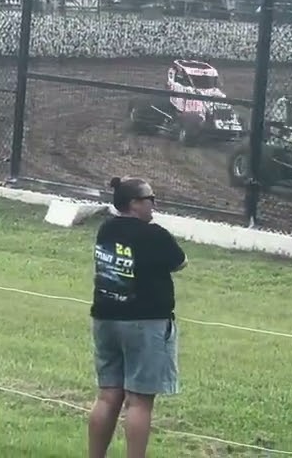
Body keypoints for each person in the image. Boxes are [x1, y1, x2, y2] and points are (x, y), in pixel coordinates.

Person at [88, 177, 187, 458]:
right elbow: (180, 262)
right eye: (149, 199)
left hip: (106, 319)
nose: (154, 204)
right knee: (139, 402)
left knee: (108, 396)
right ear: (134, 203)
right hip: (145, 323)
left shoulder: (105, 229)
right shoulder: (153, 234)